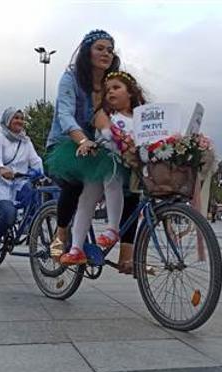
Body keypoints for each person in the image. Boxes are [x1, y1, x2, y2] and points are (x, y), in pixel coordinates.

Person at [49, 70, 145, 266]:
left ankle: (115, 234)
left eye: (116, 88)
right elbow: (107, 132)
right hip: (103, 160)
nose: (110, 92)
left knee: (115, 182)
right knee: (87, 198)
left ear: (131, 92)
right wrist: (115, 137)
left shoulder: (141, 117)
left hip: (127, 165)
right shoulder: (106, 114)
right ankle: (79, 246)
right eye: (107, 90)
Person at [45, 29, 121, 260]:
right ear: (87, 52)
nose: (106, 53)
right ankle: (60, 236)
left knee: (124, 178)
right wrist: (83, 139)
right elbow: (65, 115)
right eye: (100, 48)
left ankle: (121, 244)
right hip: (65, 144)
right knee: (75, 183)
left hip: (96, 146)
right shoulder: (71, 79)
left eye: (110, 49)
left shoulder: (111, 84)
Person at [0, 107, 43, 258]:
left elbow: (35, 159)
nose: (20, 121)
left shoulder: (26, 142)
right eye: (16, 118)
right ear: (7, 121)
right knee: (9, 213)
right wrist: (1, 169)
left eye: (21, 118)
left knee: (34, 199)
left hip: (17, 184)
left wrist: (40, 171)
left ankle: (27, 228)